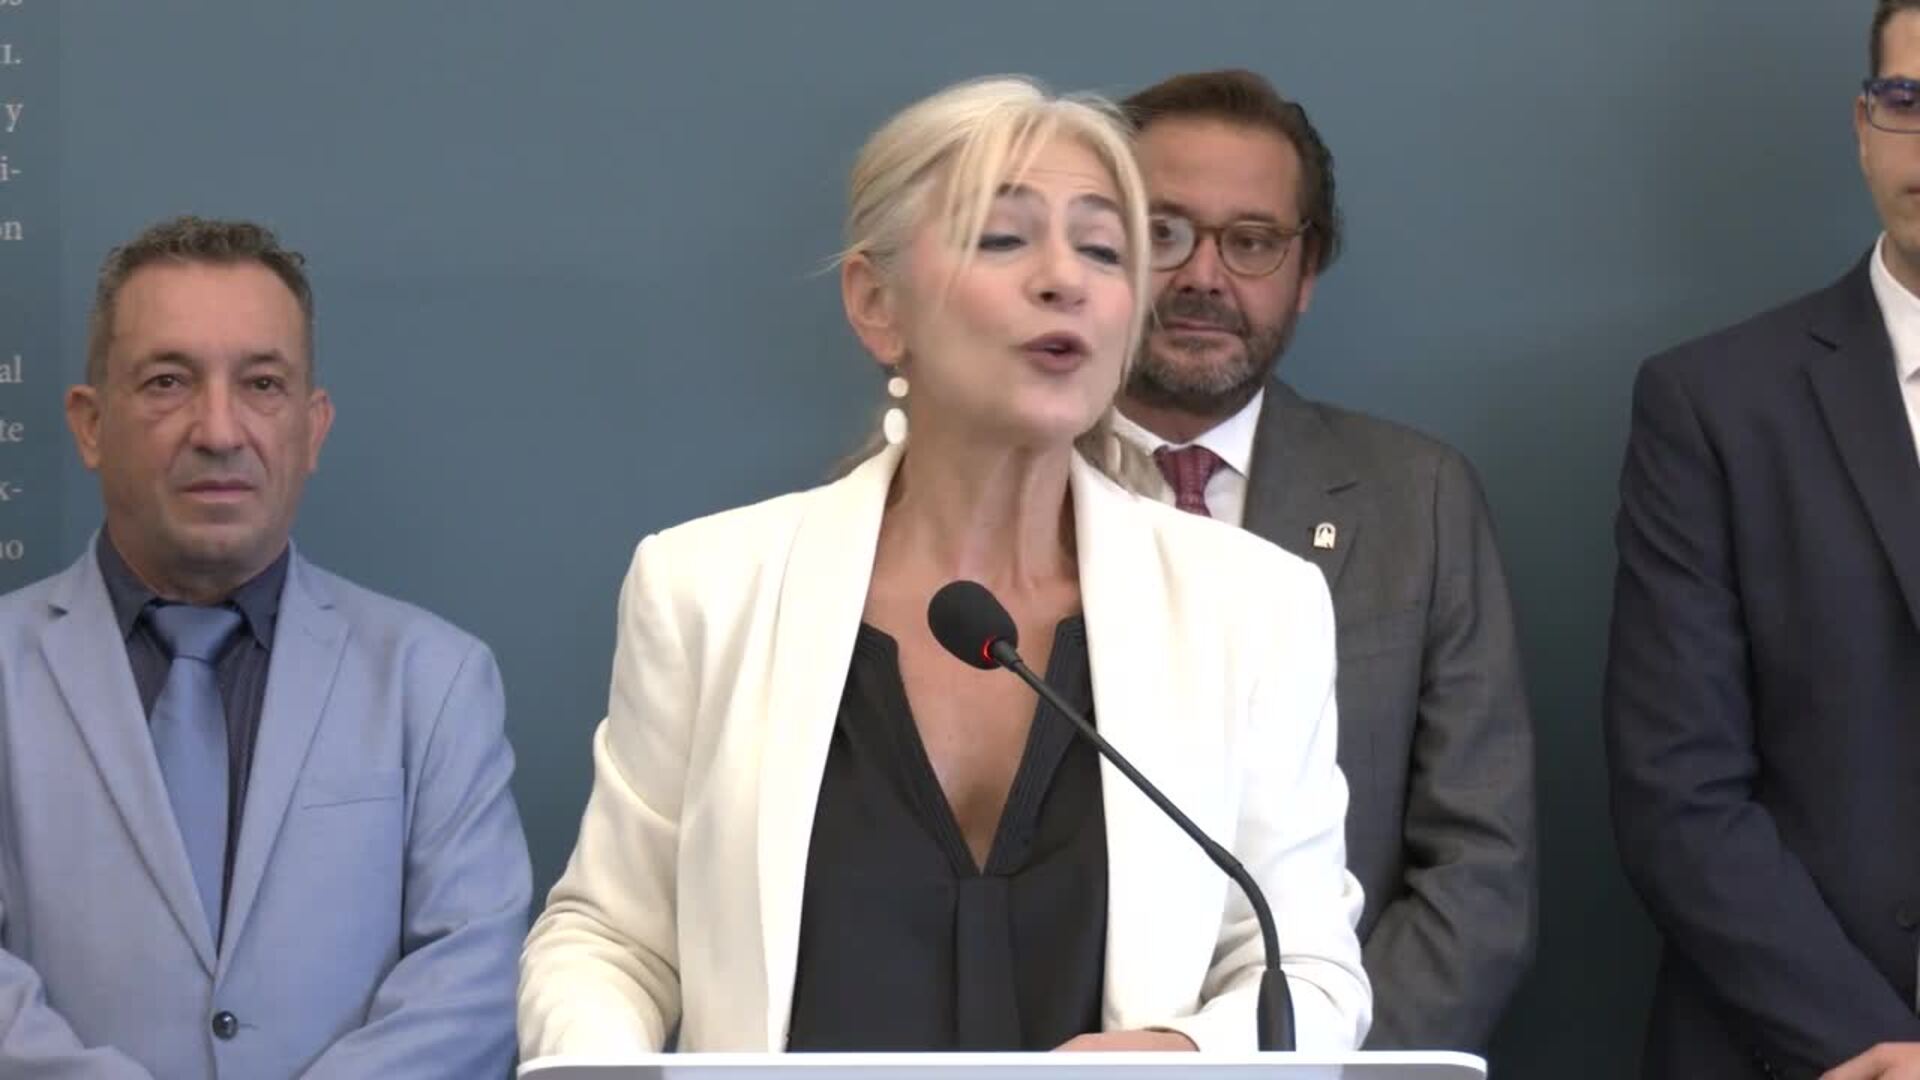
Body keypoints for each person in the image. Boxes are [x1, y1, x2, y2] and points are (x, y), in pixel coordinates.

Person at [518, 76, 1369, 1058]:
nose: (1065, 280)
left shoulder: (1252, 607)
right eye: (1004, 238)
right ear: (877, 304)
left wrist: (1183, 1058)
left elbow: (1305, 968)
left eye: (1103, 250)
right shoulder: (706, 588)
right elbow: (610, 942)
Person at [0, 216, 531, 1077]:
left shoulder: (433, 681)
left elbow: (471, 984)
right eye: (168, 381)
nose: (219, 429)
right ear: (90, 425)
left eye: (262, 384)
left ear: (312, 428)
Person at [1114, 69, 1535, 1052]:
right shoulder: (999, 494)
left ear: (1305, 273)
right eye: (1163, 232)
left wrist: (1316, 1069)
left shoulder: (1418, 500)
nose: (1203, 277)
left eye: (1252, 241)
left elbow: (1477, 872)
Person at [1606, 4, 1920, 1076]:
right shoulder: (1713, 406)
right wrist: (1872, 1046)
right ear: (1864, 126)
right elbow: (1677, 792)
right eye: (1910, 100)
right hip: (1798, 1049)